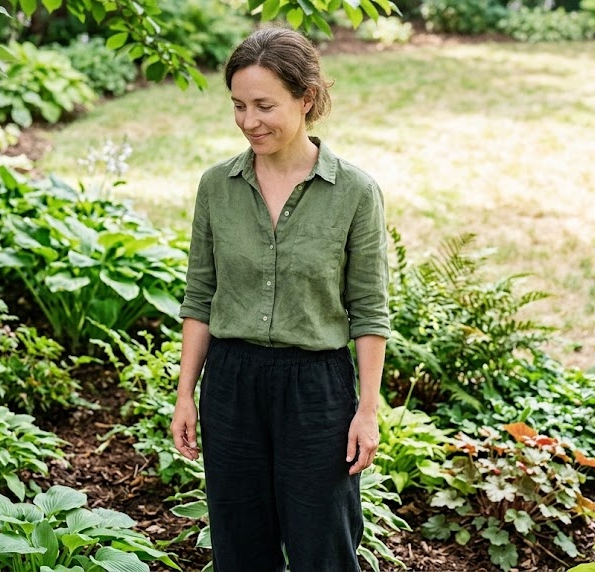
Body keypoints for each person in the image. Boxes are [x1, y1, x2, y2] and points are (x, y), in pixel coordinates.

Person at [169, 25, 390, 572]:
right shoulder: (216, 186)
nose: (249, 121)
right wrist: (185, 394)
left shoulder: (355, 193)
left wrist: (366, 409)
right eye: (238, 105)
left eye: (264, 106)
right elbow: (200, 295)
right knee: (240, 549)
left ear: (306, 98)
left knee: (324, 549)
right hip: (232, 385)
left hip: (316, 389)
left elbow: (369, 310)